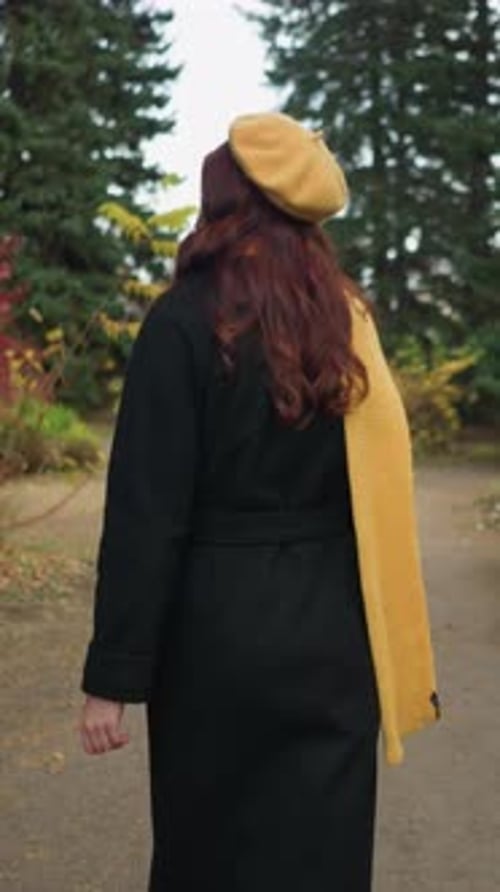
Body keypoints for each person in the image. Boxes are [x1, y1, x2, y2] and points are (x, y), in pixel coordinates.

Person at [78, 112, 441, 891]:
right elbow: (377, 490)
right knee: (323, 854)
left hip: (213, 640)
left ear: (222, 204)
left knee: (209, 854)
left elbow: (147, 513)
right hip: (331, 635)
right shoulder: (346, 326)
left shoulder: (180, 324)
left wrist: (113, 675)